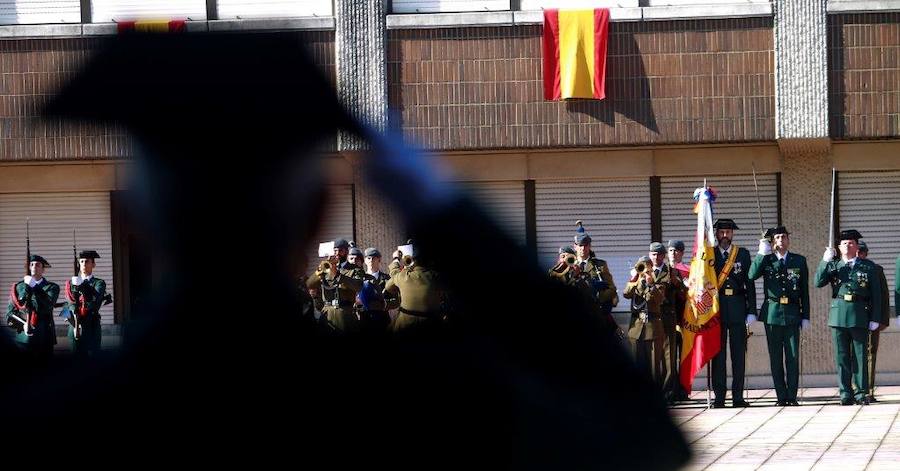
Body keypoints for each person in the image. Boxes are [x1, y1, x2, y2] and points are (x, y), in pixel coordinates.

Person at [815, 229, 883, 405]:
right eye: (844, 243)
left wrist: (875, 318)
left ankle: (861, 393)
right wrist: (824, 260)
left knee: (860, 356)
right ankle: (845, 393)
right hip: (838, 315)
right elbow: (818, 282)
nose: (848, 245)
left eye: (851, 243)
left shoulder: (868, 266)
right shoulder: (834, 265)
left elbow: (877, 294)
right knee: (842, 357)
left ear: (856, 246)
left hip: (860, 314)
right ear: (838, 247)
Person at [749, 226, 809, 407]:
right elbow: (751, 275)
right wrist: (760, 254)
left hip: (792, 313)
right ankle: (781, 396)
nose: (781, 240)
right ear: (773, 241)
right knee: (775, 357)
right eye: (777, 238)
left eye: (784, 237)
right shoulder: (766, 260)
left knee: (792, 357)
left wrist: (805, 315)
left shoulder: (798, 260)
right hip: (772, 313)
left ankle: (792, 396)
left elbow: (804, 291)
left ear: (788, 240)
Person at [710, 219, 756, 408]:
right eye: (721, 232)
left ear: (732, 234)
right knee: (717, 356)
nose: (725, 236)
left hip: (738, 307)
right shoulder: (710, 254)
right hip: (717, 309)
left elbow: (750, 283)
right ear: (716, 234)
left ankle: (738, 396)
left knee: (738, 355)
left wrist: (752, 311)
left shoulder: (742, 254)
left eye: (728, 232)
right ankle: (719, 396)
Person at [6, 255, 60, 364]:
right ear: (29, 268)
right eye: (31, 264)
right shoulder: (18, 287)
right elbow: (10, 313)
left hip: (44, 336)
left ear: (43, 269)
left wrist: (34, 286)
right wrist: (23, 324)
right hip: (23, 338)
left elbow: (48, 304)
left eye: (38, 264)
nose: (34, 266)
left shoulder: (52, 287)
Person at [855, 241, 889, 402]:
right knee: (852, 353)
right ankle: (855, 389)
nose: (858, 255)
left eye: (861, 252)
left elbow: (883, 296)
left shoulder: (876, 269)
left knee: (869, 353)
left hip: (871, 318)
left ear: (865, 254)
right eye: (856, 252)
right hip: (854, 319)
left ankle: (868, 390)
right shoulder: (847, 268)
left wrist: (882, 320)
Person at [306, 238, 365, 332]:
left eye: (340, 250)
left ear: (346, 251)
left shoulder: (355, 270)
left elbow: (358, 286)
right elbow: (309, 284)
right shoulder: (326, 268)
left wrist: (338, 275)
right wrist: (320, 271)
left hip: (344, 314)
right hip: (327, 313)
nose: (337, 253)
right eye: (335, 251)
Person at [64, 250, 109, 357]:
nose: (83, 264)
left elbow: (94, 301)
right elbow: (68, 301)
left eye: (87, 261)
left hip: (91, 324)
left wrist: (82, 284)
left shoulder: (99, 283)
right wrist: (68, 315)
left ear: (93, 264)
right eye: (82, 261)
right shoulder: (71, 283)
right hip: (74, 324)